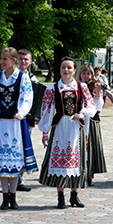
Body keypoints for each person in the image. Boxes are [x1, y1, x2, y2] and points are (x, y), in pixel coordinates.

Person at [38, 57, 97, 209]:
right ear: (60, 69)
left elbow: (91, 105)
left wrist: (82, 114)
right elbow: (46, 112)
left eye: (69, 68)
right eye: (63, 67)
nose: (66, 70)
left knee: (76, 161)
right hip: (60, 128)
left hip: (76, 128)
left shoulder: (81, 87)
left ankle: (74, 196)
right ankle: (60, 197)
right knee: (60, 160)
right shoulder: (52, 89)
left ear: (74, 70)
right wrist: (45, 132)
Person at [0, 47, 38, 210]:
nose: (1, 62)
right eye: (1, 58)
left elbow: (27, 96)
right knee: (2, 160)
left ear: (13, 60)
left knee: (14, 160)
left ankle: (13, 196)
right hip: (1, 121)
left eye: (5, 59)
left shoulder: (22, 77)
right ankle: (4, 196)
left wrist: (21, 112)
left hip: (15, 122)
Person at [78, 64, 106, 186]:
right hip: (79, 120)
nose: (86, 76)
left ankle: (89, 175)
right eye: (84, 73)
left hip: (92, 120)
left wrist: (98, 92)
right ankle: (79, 173)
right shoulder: (76, 86)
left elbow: (98, 106)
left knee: (91, 149)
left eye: (88, 74)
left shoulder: (93, 87)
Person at [16, 49, 39, 192]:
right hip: (10, 119)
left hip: (26, 120)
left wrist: (35, 117)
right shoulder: (10, 76)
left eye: (26, 59)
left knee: (23, 149)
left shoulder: (33, 79)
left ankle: (18, 180)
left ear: (30, 62)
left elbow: (37, 99)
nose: (23, 61)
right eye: (20, 58)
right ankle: (9, 180)